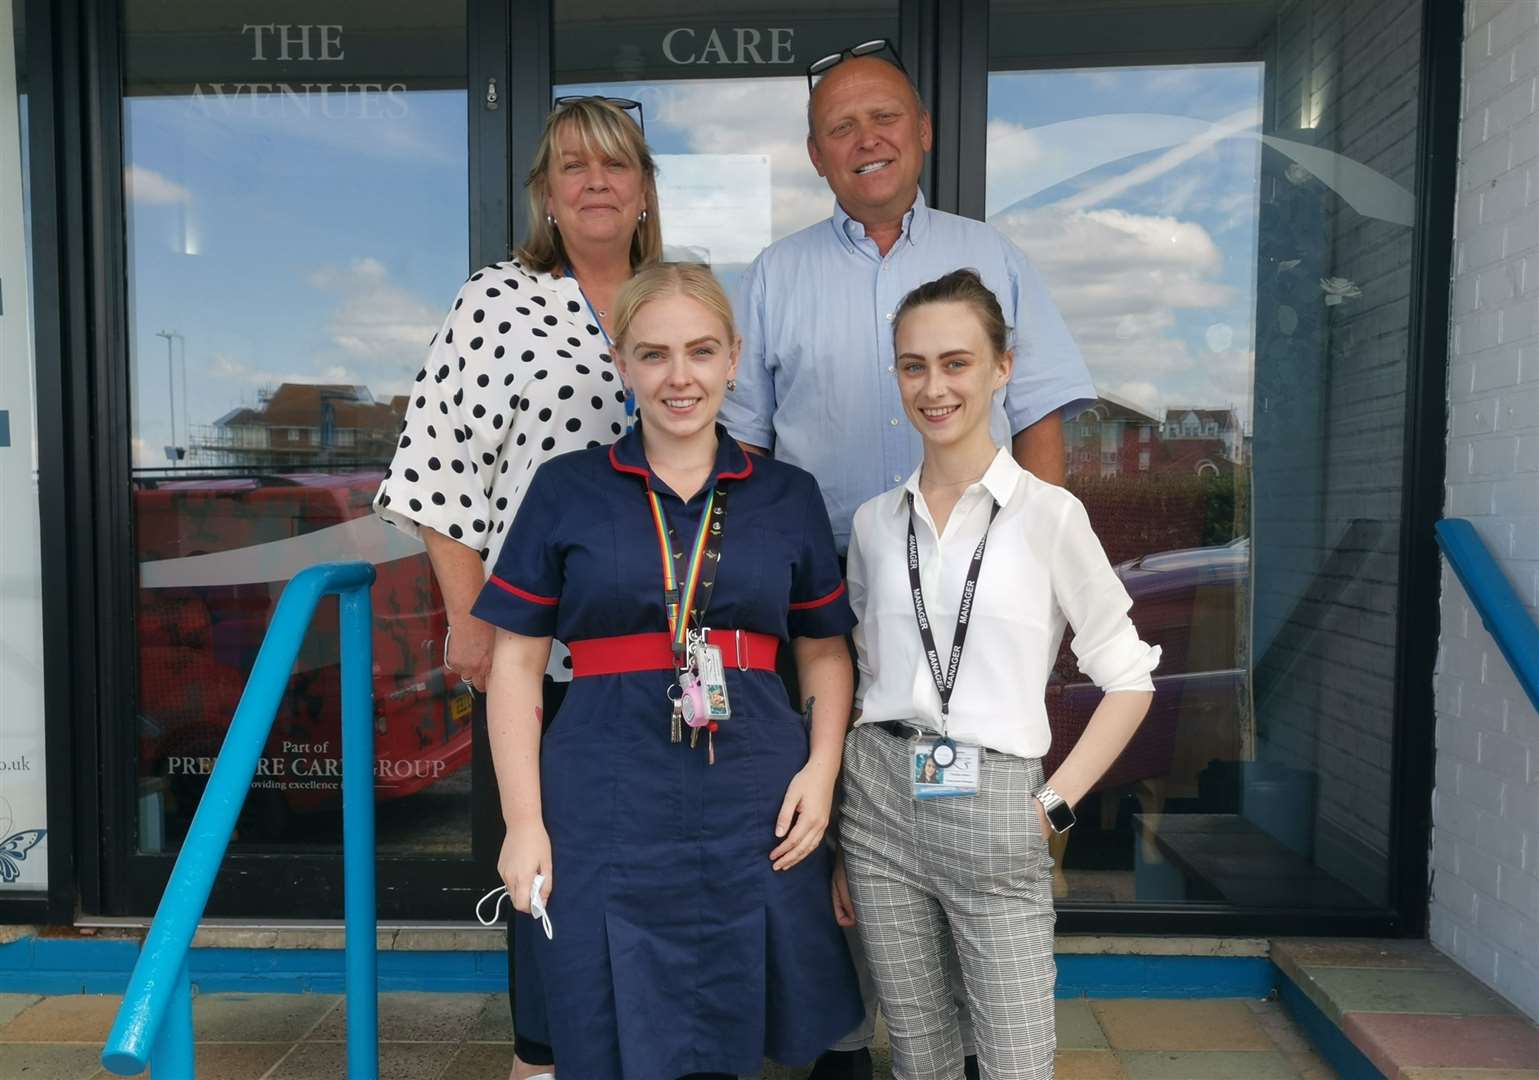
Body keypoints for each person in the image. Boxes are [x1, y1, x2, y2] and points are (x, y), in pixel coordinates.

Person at [719, 40, 1098, 1079]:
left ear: (925, 130)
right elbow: (741, 451)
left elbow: (1044, 418)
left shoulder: (993, 253)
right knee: (835, 831)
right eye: (841, 127)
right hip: (824, 610)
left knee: (981, 854)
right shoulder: (776, 276)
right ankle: (847, 1043)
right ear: (814, 152)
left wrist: (1047, 589)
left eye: (884, 117)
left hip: (976, 618)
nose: (866, 138)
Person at [470, 263, 865, 1080]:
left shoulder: (787, 494)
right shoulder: (565, 489)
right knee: (594, 1011)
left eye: (700, 351)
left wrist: (823, 772)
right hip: (601, 794)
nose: (678, 377)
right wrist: (522, 820)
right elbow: (514, 662)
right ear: (621, 364)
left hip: (757, 795)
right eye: (653, 354)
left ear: (733, 359)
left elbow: (823, 647)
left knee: (748, 1008)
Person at [374, 96, 661, 1080]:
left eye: (614, 165)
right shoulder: (496, 300)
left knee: (654, 864)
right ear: (545, 192)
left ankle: (644, 1044)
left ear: (644, 190)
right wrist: (467, 619)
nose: (593, 182)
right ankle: (542, 1059)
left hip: (666, 653)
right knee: (543, 862)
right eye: (572, 166)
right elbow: (436, 467)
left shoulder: (674, 303)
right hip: (535, 654)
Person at [839, 269, 1158, 1079]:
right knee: (919, 1055)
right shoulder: (875, 525)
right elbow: (860, 677)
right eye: (913, 365)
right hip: (876, 800)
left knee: (1017, 1058)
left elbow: (1127, 677)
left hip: (997, 804)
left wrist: (1052, 807)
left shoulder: (1049, 516)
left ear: (1000, 368)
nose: (933, 386)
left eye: (955, 362)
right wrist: (844, 837)